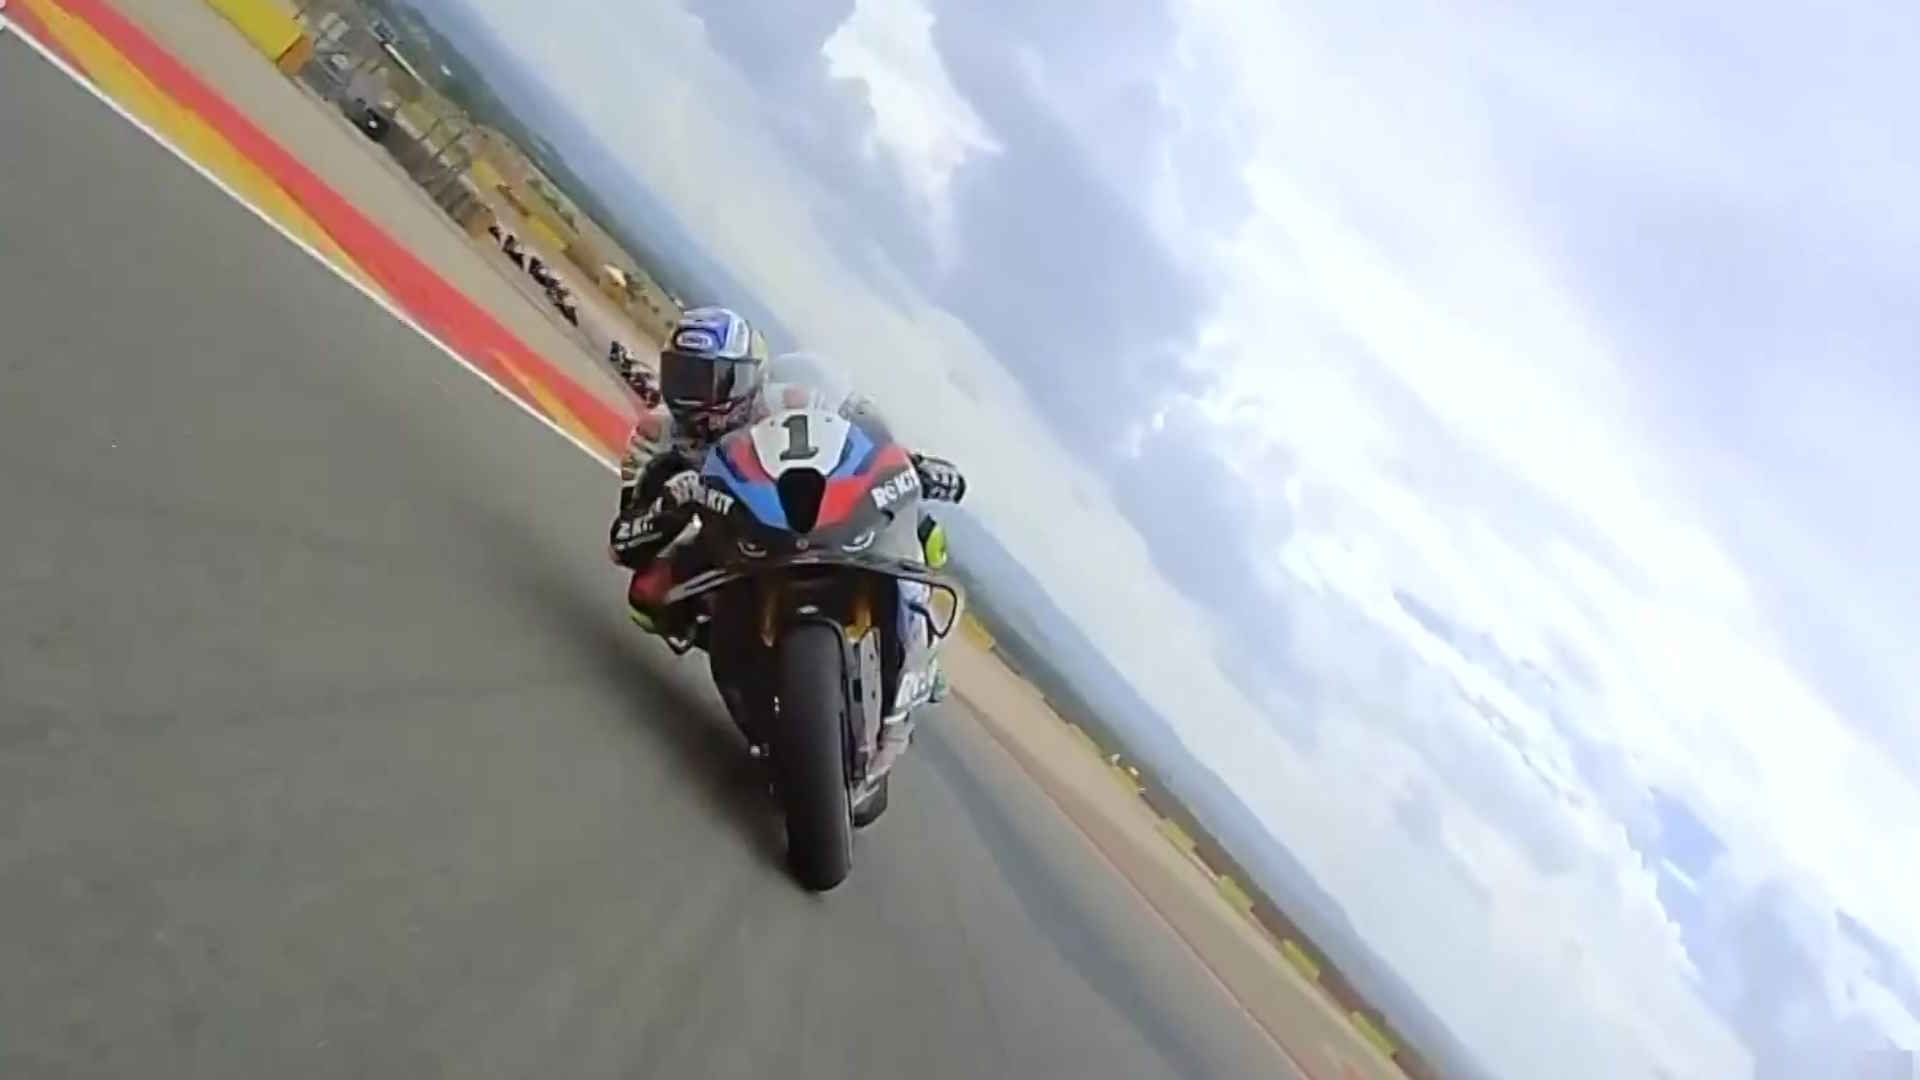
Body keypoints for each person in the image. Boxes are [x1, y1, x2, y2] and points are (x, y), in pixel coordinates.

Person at [607, 309, 964, 695]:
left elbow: (863, 439)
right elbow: (623, 542)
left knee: (925, 528)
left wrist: (914, 464)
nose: (693, 393)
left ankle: (921, 642)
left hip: (813, 512)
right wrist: (672, 502)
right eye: (681, 376)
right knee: (646, 596)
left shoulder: (792, 397)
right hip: (729, 534)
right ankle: (738, 644)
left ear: (746, 376)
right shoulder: (657, 433)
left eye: (710, 378)